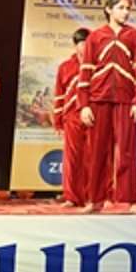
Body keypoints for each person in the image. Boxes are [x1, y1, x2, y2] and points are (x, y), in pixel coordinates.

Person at [78, 0, 136, 213]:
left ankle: (130, 200)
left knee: (127, 151)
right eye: (121, 7)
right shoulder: (96, 37)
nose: (125, 12)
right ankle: (95, 199)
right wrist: (84, 104)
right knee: (97, 152)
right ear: (108, 9)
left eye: (128, 8)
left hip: (126, 99)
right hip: (98, 99)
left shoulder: (135, 36)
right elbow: (86, 71)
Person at [53, 28, 91, 207]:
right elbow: (59, 95)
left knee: (93, 157)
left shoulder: (98, 66)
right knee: (72, 158)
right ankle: (71, 197)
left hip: (92, 115)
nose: (84, 47)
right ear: (75, 46)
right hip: (71, 116)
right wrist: (58, 121)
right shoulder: (65, 67)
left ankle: (93, 196)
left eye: (87, 44)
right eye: (81, 44)